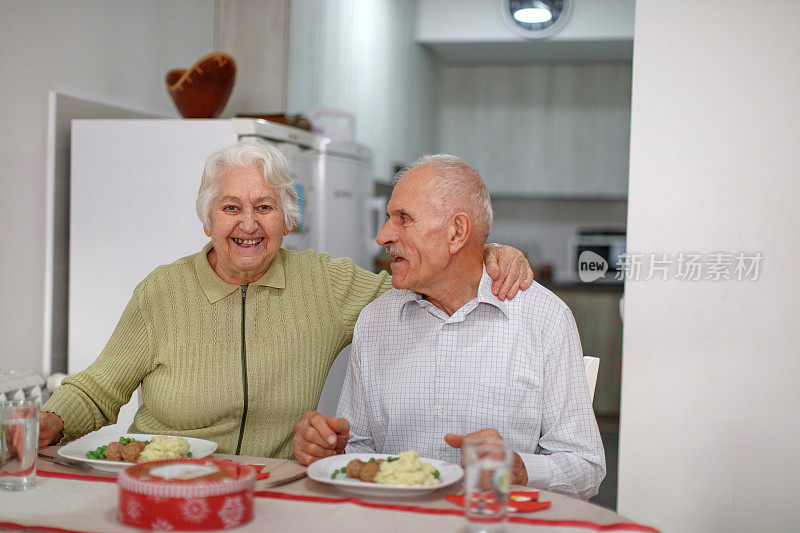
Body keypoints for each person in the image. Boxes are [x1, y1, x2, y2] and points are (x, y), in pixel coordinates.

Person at [37, 141, 533, 459]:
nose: (248, 224)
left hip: (270, 496)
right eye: (231, 208)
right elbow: (97, 390)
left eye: (265, 207)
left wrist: (482, 252)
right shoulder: (162, 292)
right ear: (207, 221)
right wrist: (48, 424)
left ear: (288, 220)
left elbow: (423, 278)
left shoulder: (325, 284)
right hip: (164, 486)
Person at [293, 155, 605, 499]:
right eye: (388, 218)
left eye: (403, 219)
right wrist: (333, 451)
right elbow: (360, 446)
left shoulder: (544, 319)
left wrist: (520, 468)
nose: (383, 235)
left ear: (456, 232)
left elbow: (586, 467)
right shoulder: (375, 319)